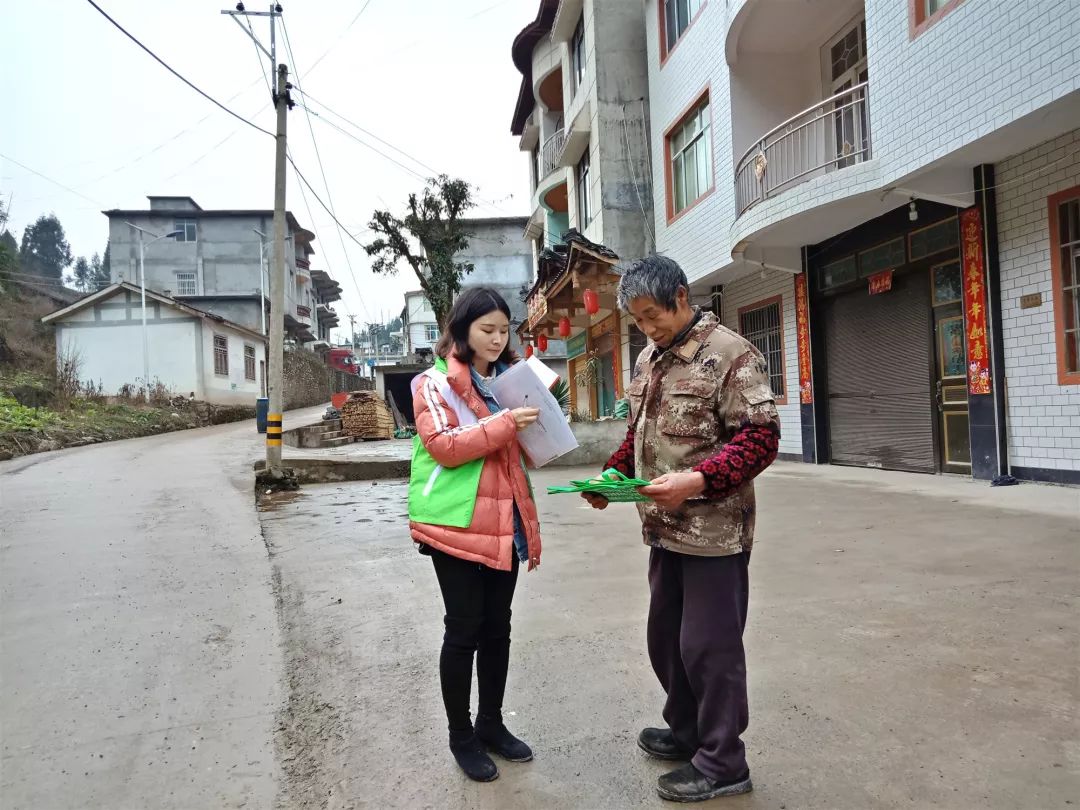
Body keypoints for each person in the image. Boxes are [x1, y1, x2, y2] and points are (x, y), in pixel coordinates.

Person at [584, 255, 781, 802]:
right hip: (662, 529)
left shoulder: (730, 355)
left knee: (709, 648)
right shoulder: (651, 358)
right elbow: (640, 435)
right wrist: (612, 475)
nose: (648, 329)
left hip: (714, 533)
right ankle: (689, 731)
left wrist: (696, 482)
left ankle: (723, 763)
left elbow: (761, 439)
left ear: (680, 295)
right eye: (639, 320)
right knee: (666, 640)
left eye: (654, 315)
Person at [408, 287, 543, 783]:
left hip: (504, 521)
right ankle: (461, 735)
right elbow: (443, 447)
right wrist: (508, 423)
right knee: (463, 628)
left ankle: (491, 725)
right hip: (456, 523)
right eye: (487, 329)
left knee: (498, 627)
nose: (497, 339)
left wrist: (540, 424)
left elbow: (522, 449)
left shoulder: (509, 382)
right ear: (461, 329)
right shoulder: (432, 384)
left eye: (504, 330)